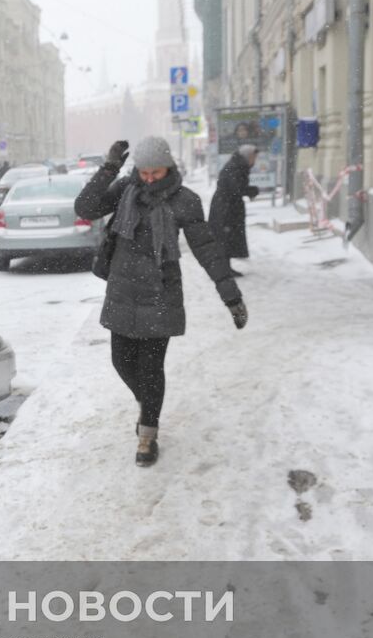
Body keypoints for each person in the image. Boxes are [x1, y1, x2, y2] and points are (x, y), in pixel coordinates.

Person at [75, 136, 247, 466]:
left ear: (169, 166)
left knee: (151, 369)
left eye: (156, 172)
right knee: (122, 362)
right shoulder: (126, 190)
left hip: (161, 294)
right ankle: (148, 404)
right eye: (145, 172)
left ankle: (147, 435)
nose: (150, 178)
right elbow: (85, 207)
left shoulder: (185, 200)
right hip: (123, 293)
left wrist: (231, 296)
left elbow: (208, 250)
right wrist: (109, 167)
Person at [209, 144, 262, 274]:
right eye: (253, 158)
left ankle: (225, 267)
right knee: (226, 236)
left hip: (229, 206)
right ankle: (224, 268)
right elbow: (236, 188)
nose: (254, 161)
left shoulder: (238, 166)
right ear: (247, 156)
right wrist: (252, 190)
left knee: (228, 236)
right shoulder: (235, 167)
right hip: (225, 207)